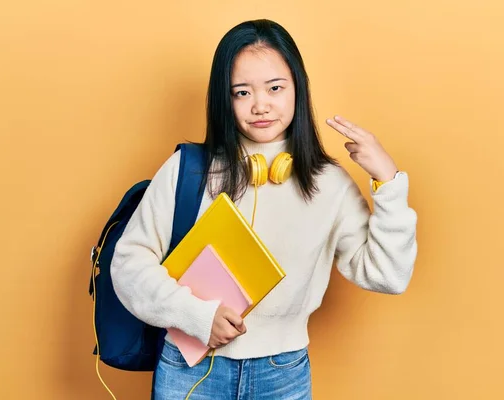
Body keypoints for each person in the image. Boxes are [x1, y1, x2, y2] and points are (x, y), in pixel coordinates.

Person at [110, 18, 417, 400]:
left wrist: (389, 183)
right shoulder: (188, 170)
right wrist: (195, 316)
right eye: (241, 92)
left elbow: (389, 275)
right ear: (224, 98)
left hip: (282, 373)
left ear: (297, 89)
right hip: (191, 368)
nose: (260, 105)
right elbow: (128, 264)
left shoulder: (329, 183)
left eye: (275, 88)